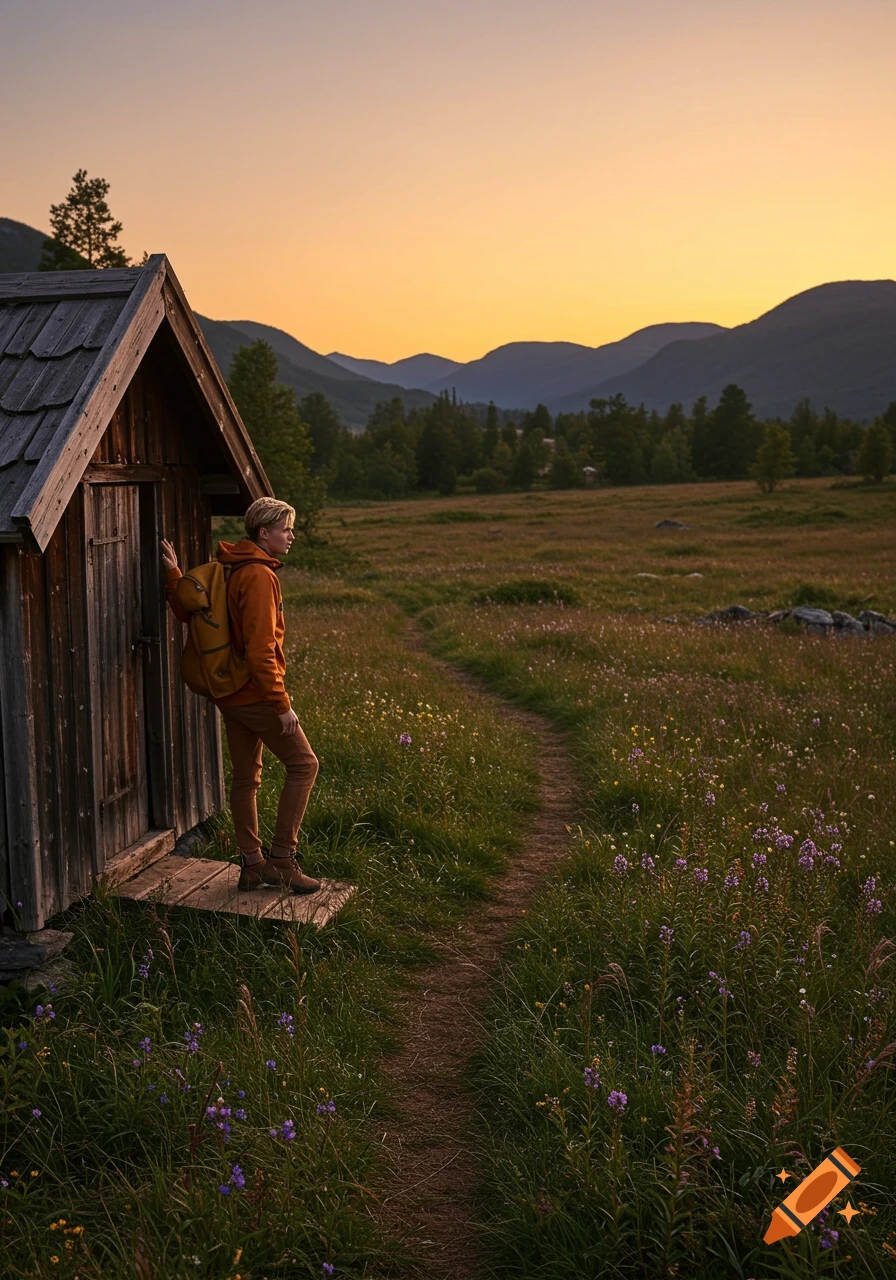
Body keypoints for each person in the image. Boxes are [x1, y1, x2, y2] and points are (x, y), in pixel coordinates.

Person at [160, 497, 321, 893]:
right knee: (304, 765)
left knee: (246, 778)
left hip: (228, 692)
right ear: (264, 533)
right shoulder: (260, 576)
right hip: (252, 693)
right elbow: (261, 648)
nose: (291, 535)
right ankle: (282, 860)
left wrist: (174, 576)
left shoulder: (227, 568)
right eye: (285, 528)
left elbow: (189, 611)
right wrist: (281, 705)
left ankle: (252, 864)